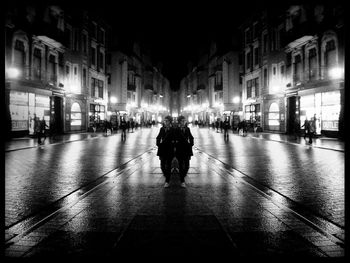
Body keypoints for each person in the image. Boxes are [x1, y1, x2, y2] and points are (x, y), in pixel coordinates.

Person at [174, 115, 194, 188]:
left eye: (185, 121)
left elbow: (191, 137)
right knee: (181, 164)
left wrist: (191, 144)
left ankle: (183, 175)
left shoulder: (187, 129)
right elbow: (174, 138)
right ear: (179, 122)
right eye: (183, 121)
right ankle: (182, 180)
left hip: (187, 149)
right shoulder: (176, 129)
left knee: (187, 165)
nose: (184, 122)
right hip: (180, 149)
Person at [156, 115, 175, 188]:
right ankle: (167, 175)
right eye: (164, 121)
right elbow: (158, 137)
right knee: (162, 165)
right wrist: (158, 144)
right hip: (162, 149)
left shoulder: (173, 129)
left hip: (169, 149)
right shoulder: (162, 129)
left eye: (166, 121)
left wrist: (173, 146)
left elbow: (175, 138)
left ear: (170, 122)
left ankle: (167, 181)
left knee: (169, 165)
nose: (165, 122)